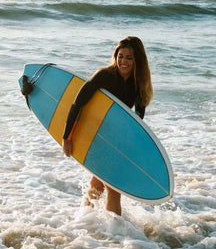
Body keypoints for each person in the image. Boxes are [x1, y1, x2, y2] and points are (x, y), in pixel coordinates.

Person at [62, 36, 153, 216]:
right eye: (120, 56)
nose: (123, 61)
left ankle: (84, 220)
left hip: (117, 140)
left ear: (137, 61)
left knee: (97, 184)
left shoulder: (139, 84)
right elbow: (76, 104)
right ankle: (115, 236)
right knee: (113, 188)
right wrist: (67, 137)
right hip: (96, 135)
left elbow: (137, 121)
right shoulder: (104, 76)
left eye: (129, 57)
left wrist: (133, 149)